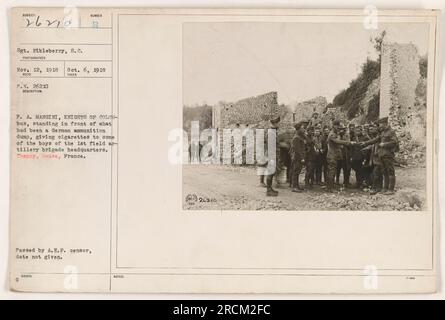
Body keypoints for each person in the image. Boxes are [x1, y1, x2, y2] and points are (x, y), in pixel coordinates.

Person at [326, 120, 354, 193]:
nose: (338, 127)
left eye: (339, 126)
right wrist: (348, 142)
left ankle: (329, 187)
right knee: (332, 171)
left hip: (334, 155)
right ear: (334, 126)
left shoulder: (335, 133)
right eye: (337, 126)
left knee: (332, 171)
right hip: (332, 155)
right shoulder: (332, 134)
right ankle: (330, 188)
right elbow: (337, 141)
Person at [377, 117, 399, 194]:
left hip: (388, 155)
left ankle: (391, 189)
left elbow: (394, 142)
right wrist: (365, 143)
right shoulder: (382, 132)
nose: (380, 126)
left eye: (381, 124)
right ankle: (385, 188)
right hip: (382, 155)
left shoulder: (391, 132)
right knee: (384, 172)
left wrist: (384, 144)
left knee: (390, 172)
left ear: (385, 124)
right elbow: (376, 139)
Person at [265, 115, 281, 196]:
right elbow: (271, 146)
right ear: (274, 124)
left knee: (272, 171)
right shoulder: (271, 133)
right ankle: (268, 190)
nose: (279, 125)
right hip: (272, 155)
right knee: (270, 172)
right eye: (278, 123)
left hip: (273, 155)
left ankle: (270, 188)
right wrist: (271, 158)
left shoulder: (273, 132)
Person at [289, 121, 306, 192]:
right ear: (298, 129)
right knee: (295, 172)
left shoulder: (299, 136)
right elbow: (297, 150)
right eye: (302, 128)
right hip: (297, 157)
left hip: (298, 157)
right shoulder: (296, 138)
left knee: (297, 171)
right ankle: (294, 187)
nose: (303, 129)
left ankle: (296, 186)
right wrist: (302, 158)